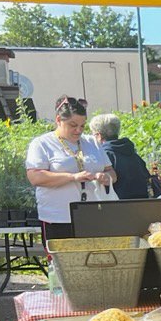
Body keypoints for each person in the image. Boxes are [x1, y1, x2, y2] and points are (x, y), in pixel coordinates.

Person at [25, 95, 114, 243]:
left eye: (82, 126)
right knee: (63, 263)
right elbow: (35, 177)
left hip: (93, 217)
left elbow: (112, 172)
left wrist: (106, 177)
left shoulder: (92, 142)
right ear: (59, 120)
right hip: (58, 218)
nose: (78, 130)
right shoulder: (42, 143)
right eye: (73, 125)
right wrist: (72, 177)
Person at [92, 113, 152, 199]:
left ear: (99, 135)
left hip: (117, 205)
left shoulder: (104, 155)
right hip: (141, 203)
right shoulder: (133, 153)